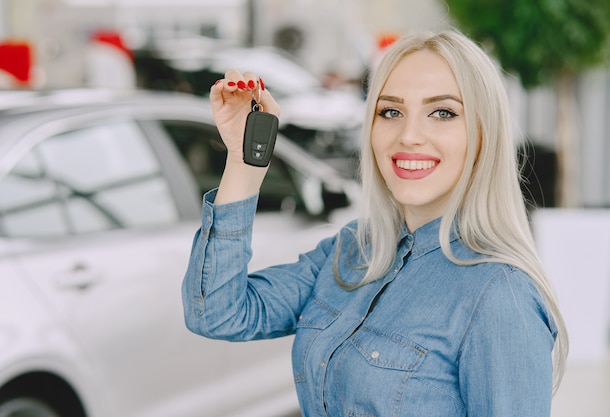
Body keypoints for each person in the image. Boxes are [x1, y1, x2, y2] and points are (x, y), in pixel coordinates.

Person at [182, 29, 568, 416]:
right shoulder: (352, 250)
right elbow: (217, 313)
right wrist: (244, 160)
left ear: (485, 134)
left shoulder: (501, 297)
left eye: (443, 112)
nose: (409, 136)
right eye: (391, 112)